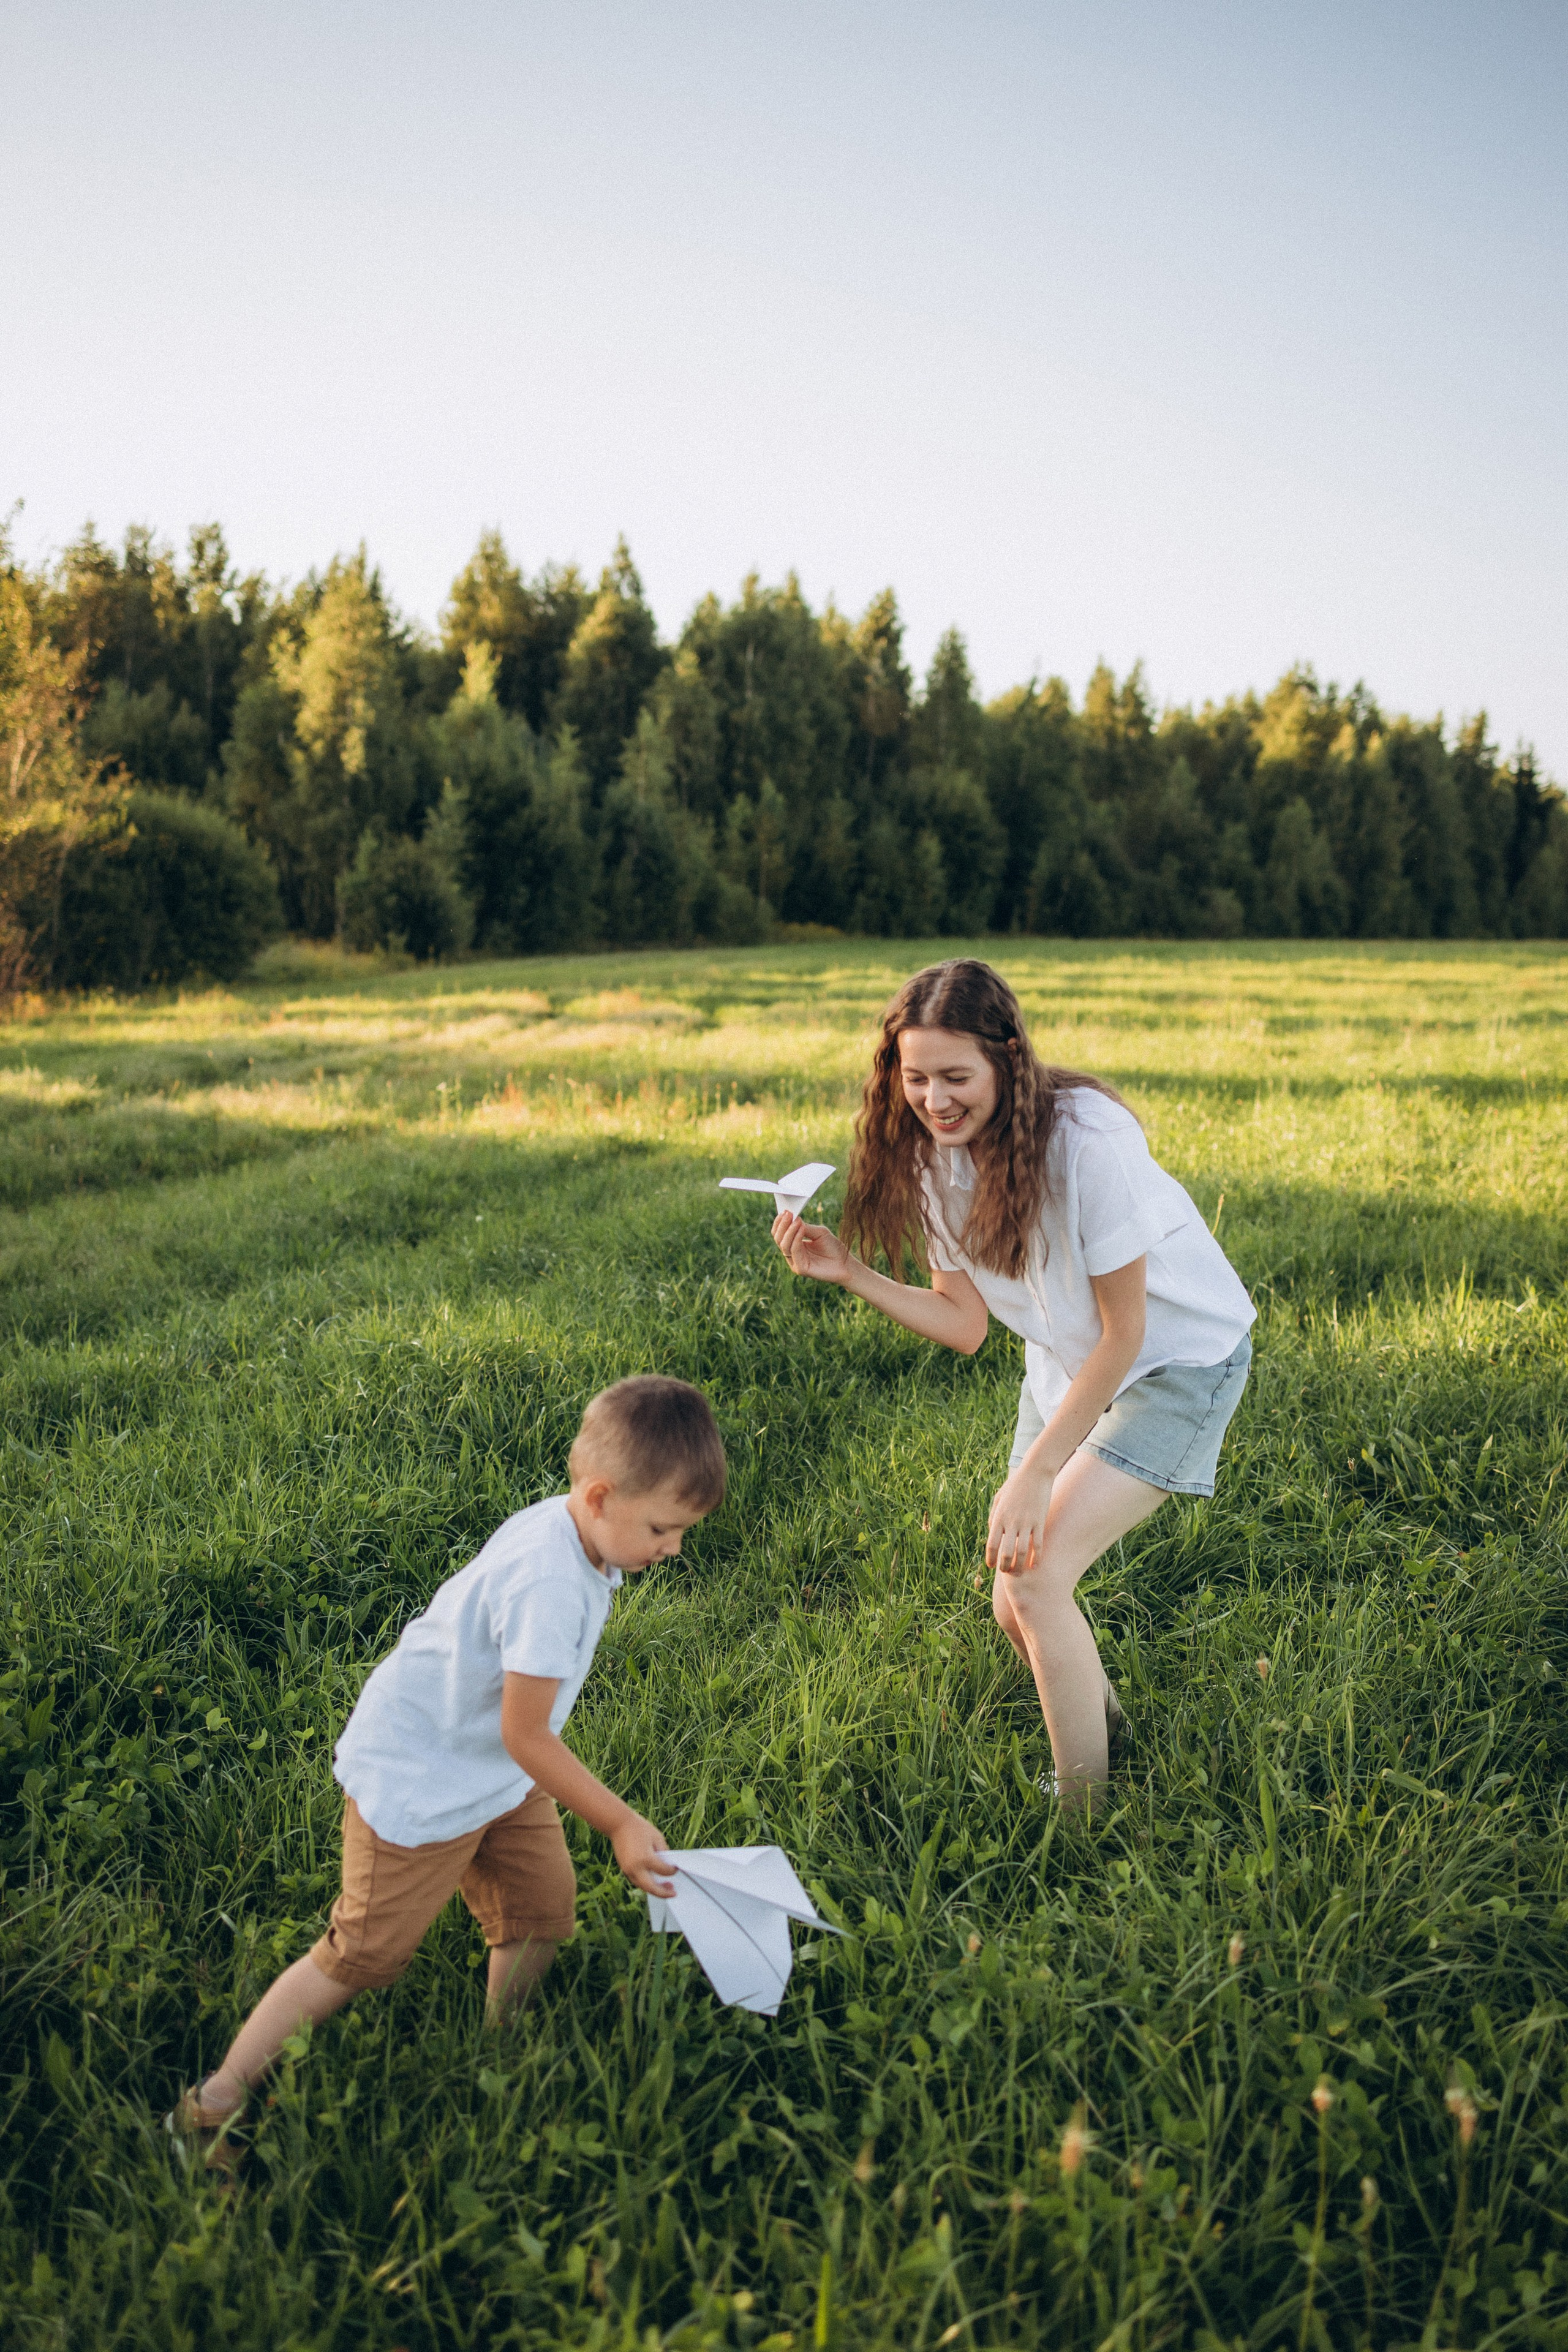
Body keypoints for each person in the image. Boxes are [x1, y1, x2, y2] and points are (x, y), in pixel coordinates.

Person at [170, 1375, 725, 2149]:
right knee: (360, 1955)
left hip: (494, 1774)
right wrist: (621, 1821)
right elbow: (525, 1733)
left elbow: (516, 1741)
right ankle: (214, 2102)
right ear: (599, 1497)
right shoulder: (550, 1584)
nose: (673, 1550)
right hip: (423, 1780)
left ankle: (499, 2051)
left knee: (540, 1910)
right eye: (665, 1529)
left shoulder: (579, 1531)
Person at [772, 959, 1254, 1807]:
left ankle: (1084, 1813)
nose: (934, 1099)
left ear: (1008, 1059)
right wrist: (850, 1273)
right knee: (1013, 1598)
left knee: (1035, 1580)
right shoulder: (928, 1157)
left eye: (957, 1077)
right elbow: (965, 1324)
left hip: (1175, 1364)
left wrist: (1035, 1475)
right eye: (914, 1077)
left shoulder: (1087, 1143)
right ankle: (1111, 1741)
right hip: (1066, 1364)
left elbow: (1126, 1333)